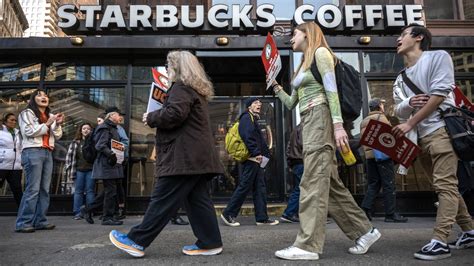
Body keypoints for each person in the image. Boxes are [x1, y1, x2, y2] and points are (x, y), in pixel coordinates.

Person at [271, 22, 380, 260]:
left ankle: (308, 246)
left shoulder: (321, 53)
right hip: (309, 121)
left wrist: (338, 125)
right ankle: (365, 231)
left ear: (307, 34)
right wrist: (277, 87)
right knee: (328, 184)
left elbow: (331, 90)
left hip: (322, 118)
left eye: (294, 34)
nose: (290, 39)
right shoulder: (303, 64)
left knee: (311, 182)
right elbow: (292, 104)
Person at [109, 50, 223, 258]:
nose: (167, 70)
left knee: (162, 200)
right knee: (198, 201)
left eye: (169, 66)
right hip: (196, 157)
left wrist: (151, 117)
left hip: (183, 157)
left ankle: (136, 241)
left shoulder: (180, 88)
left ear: (177, 68)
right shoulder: (195, 90)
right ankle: (210, 242)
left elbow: (174, 114)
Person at [392, 23, 474, 260]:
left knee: (445, 185)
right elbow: (398, 108)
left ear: (418, 37)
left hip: (441, 131)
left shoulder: (438, 57)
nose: (398, 40)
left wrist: (409, 122)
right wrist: (409, 104)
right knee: (443, 186)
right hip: (419, 138)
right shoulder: (401, 77)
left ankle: (440, 241)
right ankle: (469, 230)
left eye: (402, 35)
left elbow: (439, 95)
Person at [220, 97, 279, 227]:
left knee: (260, 188)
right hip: (252, 159)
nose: (259, 104)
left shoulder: (253, 119)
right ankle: (228, 214)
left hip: (256, 159)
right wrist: (256, 153)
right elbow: (248, 136)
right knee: (244, 187)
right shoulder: (247, 118)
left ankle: (261, 218)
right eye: (255, 103)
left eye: (259, 102)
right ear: (249, 107)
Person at [15, 89, 63, 233]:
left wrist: (58, 124)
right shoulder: (27, 113)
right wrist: (48, 124)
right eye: (40, 95)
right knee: (33, 189)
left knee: (44, 189)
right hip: (32, 151)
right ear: (33, 99)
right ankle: (23, 223)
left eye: (46, 95)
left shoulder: (50, 115)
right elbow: (28, 131)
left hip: (48, 152)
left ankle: (40, 220)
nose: (44, 97)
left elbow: (58, 135)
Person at [360, 98, 408, 223]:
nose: (383, 106)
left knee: (373, 184)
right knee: (389, 185)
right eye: (382, 104)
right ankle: (390, 214)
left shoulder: (364, 121)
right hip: (383, 157)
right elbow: (389, 138)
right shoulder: (381, 118)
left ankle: (365, 209)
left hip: (370, 157)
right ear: (379, 107)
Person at [80, 107, 124, 226]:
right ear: (111, 116)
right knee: (110, 190)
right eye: (118, 115)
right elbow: (100, 145)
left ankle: (89, 209)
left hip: (111, 163)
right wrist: (111, 154)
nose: (120, 117)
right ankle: (107, 217)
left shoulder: (112, 128)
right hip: (106, 163)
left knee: (109, 190)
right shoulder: (104, 127)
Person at [63, 123, 95, 220]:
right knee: (78, 191)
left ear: (91, 131)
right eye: (84, 128)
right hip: (79, 170)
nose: (86, 130)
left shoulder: (94, 142)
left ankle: (89, 212)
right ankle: (78, 212)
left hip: (91, 170)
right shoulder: (75, 142)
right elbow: (69, 158)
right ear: (80, 130)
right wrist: (69, 170)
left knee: (90, 191)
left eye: (88, 129)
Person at [280, 123, 303, 223]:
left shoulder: (296, 128)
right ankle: (289, 213)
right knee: (300, 189)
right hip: (302, 161)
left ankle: (291, 213)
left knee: (300, 188)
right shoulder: (305, 127)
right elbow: (305, 145)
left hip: (296, 162)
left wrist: (290, 163)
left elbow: (288, 148)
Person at [0, 113, 23, 207]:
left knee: (17, 190)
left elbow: (21, 148)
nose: (14, 122)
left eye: (15, 120)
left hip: (16, 167)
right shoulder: (1, 132)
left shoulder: (18, 133)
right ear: (5, 121)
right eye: (11, 120)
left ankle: (23, 215)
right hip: (2, 165)